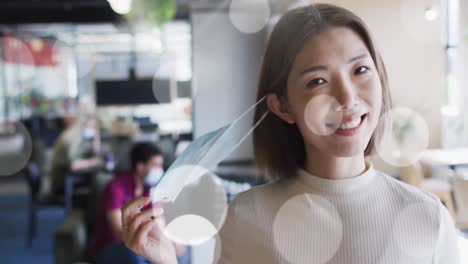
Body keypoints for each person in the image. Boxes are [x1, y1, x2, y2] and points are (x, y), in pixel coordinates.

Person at [120, 3, 460, 264]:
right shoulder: (245, 217)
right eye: (317, 81)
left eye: (360, 70)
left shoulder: (427, 217)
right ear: (282, 106)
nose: (347, 98)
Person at [90, 142, 187, 264]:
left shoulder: (152, 189)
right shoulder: (116, 188)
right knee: (136, 256)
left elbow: (160, 221)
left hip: (141, 240)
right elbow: (120, 232)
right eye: (156, 165)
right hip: (110, 246)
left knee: (181, 251)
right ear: (140, 166)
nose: (160, 170)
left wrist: (172, 241)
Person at [50, 114, 102, 196]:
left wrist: (96, 140)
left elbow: (96, 156)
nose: (92, 130)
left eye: (94, 127)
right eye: (90, 126)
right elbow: (73, 165)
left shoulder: (82, 140)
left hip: (71, 180)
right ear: (81, 125)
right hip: (63, 183)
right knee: (98, 184)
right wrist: (93, 161)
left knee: (97, 182)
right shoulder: (70, 140)